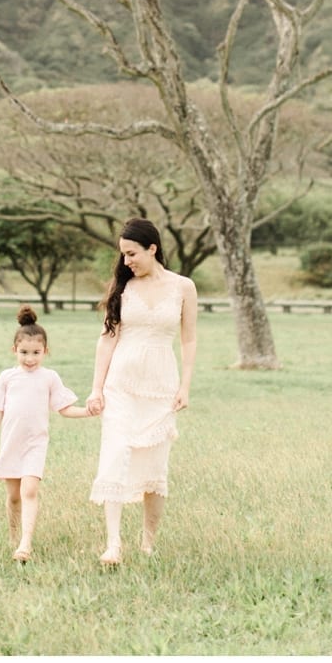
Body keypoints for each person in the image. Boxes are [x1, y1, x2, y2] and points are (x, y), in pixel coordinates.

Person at [85, 217, 198, 564]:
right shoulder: (123, 288)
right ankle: (114, 544)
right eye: (123, 255)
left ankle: (148, 543)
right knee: (115, 456)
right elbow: (107, 339)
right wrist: (96, 389)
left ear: (152, 248)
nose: (126, 262)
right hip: (121, 384)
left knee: (153, 467)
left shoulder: (183, 287)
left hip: (160, 386)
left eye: (132, 254)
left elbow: (189, 338)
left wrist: (185, 386)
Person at [0, 305, 91, 563]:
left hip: (35, 445)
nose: (30, 358)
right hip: (11, 443)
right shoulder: (7, 378)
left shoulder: (49, 377)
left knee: (29, 490)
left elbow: (64, 409)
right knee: (13, 497)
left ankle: (26, 544)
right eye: (24, 352)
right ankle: (13, 535)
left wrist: (88, 412)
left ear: (45, 352)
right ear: (14, 350)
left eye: (36, 353)